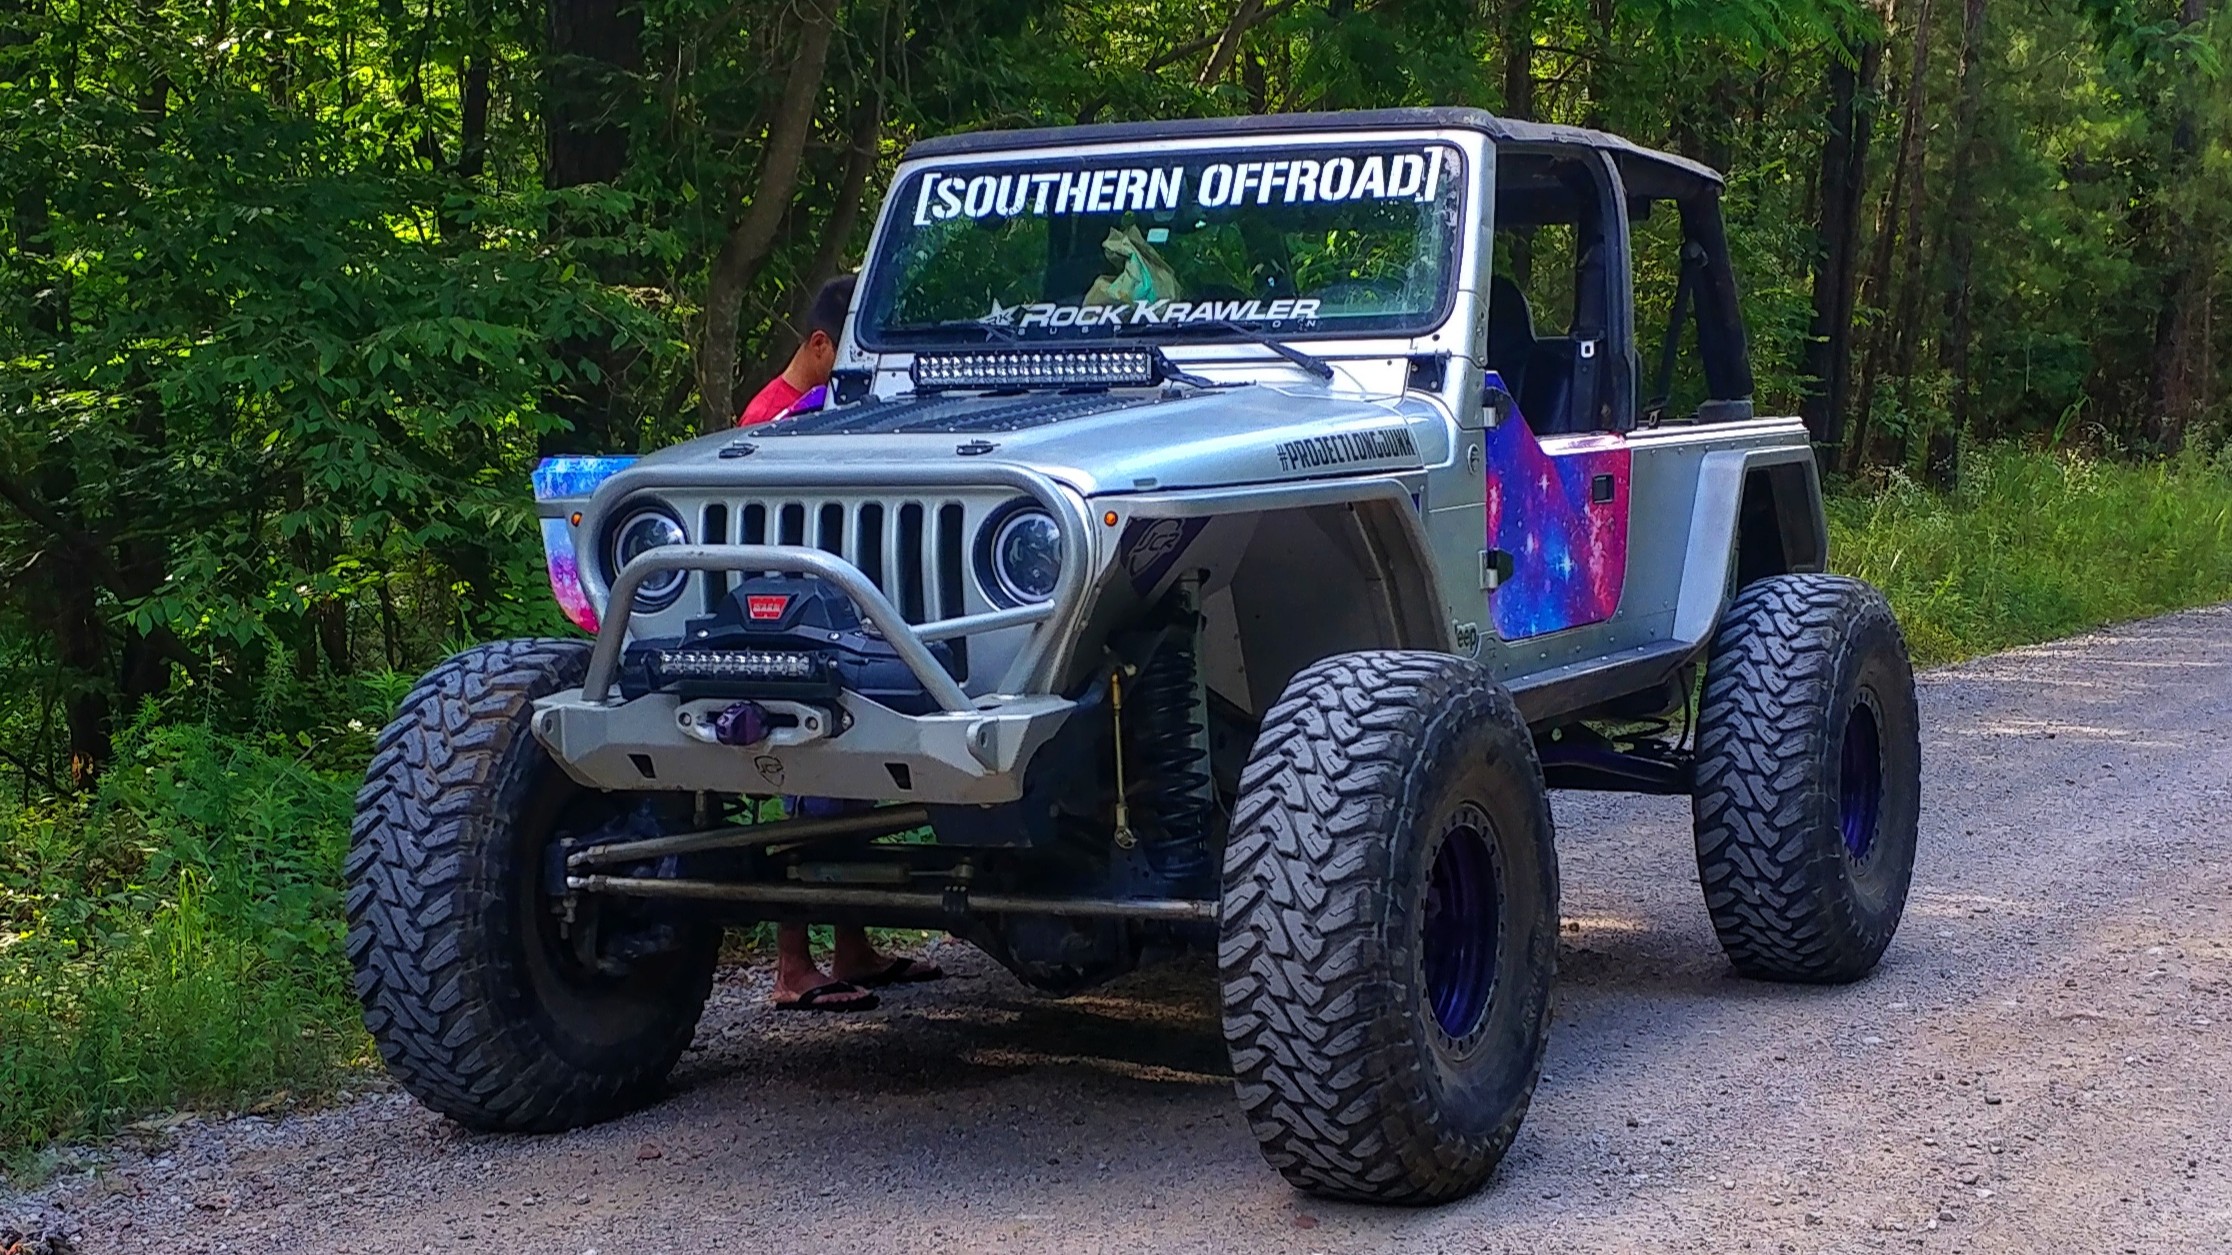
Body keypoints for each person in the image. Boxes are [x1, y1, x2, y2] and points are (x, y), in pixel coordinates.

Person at [736, 274, 946, 1010]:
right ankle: (792, 967)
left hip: (843, 618)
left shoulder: (835, 407)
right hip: (792, 624)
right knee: (808, 792)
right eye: (855, 348)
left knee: (852, 791)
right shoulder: (772, 416)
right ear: (823, 344)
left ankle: (852, 947)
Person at [739, 274, 855, 426]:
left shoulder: (838, 401)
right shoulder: (764, 419)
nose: (854, 365)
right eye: (849, 354)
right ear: (819, 344)